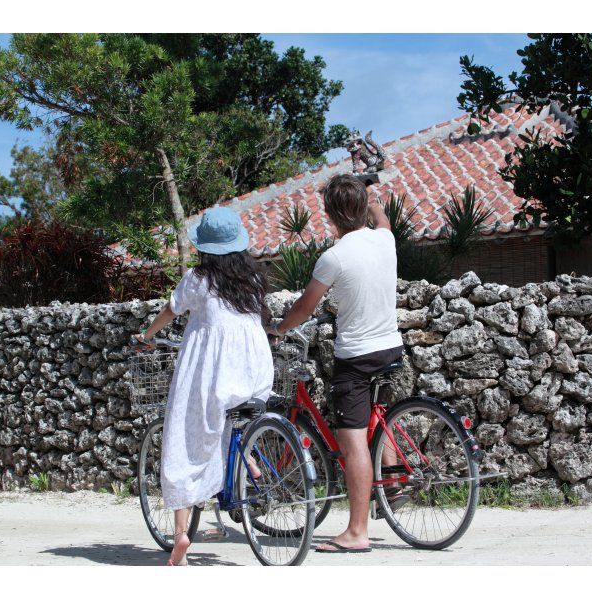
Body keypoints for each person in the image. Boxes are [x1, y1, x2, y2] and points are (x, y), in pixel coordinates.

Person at [267, 174, 403, 554]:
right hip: (391, 347)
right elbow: (383, 218)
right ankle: (391, 484)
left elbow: (304, 307)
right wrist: (370, 196)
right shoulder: (385, 238)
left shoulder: (335, 256)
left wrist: (278, 329)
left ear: (329, 215)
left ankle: (357, 532)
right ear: (362, 208)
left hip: (357, 356)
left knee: (352, 438)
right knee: (378, 413)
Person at [135, 206, 274, 566]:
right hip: (256, 372)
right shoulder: (254, 280)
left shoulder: (198, 280)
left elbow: (170, 311)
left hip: (214, 373)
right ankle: (252, 466)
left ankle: (181, 536)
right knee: (232, 422)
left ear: (206, 248)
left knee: (184, 438)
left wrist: (147, 335)